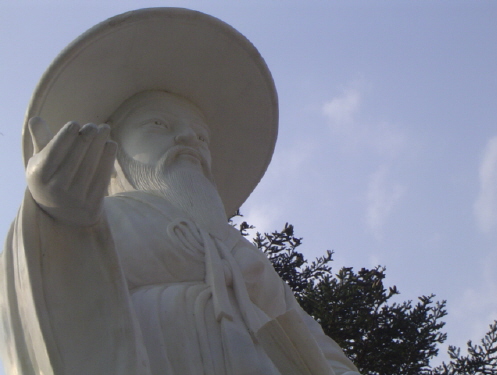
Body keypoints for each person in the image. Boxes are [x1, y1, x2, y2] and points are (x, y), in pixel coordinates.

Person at [0, 9, 361, 375]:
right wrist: (59, 219)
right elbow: (47, 310)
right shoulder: (99, 221)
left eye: (202, 136)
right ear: (111, 153)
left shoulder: (239, 251)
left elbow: (317, 345)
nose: (190, 139)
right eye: (158, 124)